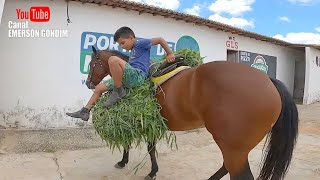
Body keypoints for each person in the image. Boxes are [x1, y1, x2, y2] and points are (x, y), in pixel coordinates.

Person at [66, 26, 175, 121]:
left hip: (138, 76)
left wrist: (169, 53)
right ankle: (85, 111)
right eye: (119, 44)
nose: (122, 46)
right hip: (128, 77)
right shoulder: (132, 50)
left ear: (131, 38)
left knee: (113, 59)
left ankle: (119, 92)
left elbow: (160, 39)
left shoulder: (141, 43)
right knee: (99, 88)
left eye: (123, 43)